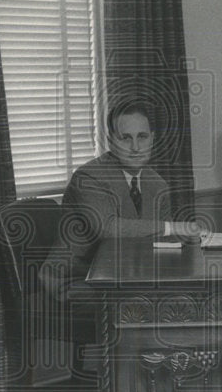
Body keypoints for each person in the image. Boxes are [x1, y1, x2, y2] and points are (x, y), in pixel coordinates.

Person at [39, 99, 200, 302]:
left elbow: (162, 241)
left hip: (127, 279)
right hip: (75, 281)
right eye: (125, 138)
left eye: (142, 137)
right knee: (154, 308)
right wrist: (173, 228)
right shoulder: (88, 178)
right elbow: (108, 228)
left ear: (152, 139)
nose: (135, 147)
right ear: (111, 141)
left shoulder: (157, 184)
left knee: (186, 301)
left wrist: (189, 240)